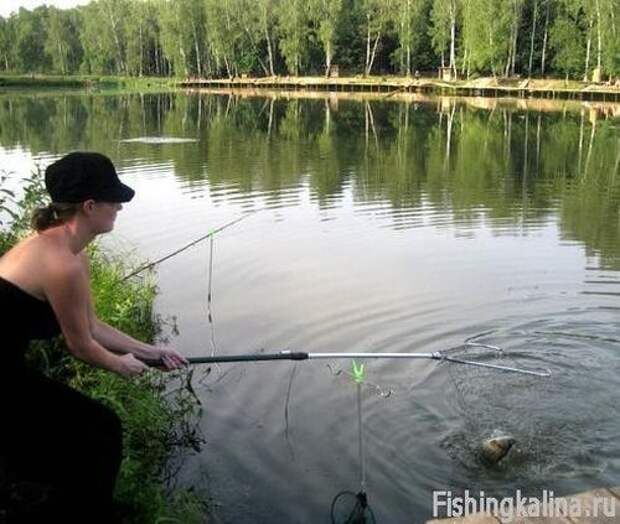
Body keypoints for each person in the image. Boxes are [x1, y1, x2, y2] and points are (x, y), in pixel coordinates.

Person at [0, 152, 188, 523]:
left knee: (81, 439)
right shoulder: (61, 263)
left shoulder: (71, 253)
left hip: (9, 368)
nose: (119, 206)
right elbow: (80, 345)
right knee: (100, 431)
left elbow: (93, 326)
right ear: (89, 206)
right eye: (113, 200)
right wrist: (123, 366)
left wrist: (152, 351)